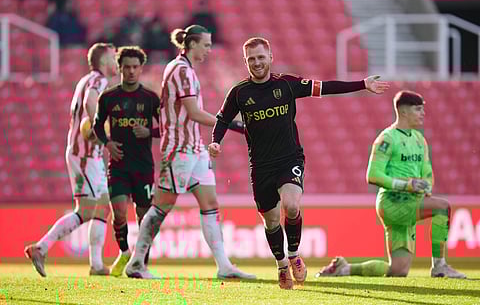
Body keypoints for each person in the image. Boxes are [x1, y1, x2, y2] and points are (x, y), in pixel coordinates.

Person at [207, 37, 389, 289]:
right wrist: (216, 141)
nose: (257, 63)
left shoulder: (287, 84)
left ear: (270, 57)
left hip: (289, 159)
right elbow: (222, 119)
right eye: (251, 59)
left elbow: (325, 87)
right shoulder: (239, 92)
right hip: (260, 167)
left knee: (291, 206)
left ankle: (293, 255)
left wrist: (362, 84)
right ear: (245, 61)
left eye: (261, 57)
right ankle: (282, 265)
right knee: (271, 221)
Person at [124, 25, 255, 280]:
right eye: (206, 45)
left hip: (194, 148)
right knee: (162, 206)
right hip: (178, 150)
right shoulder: (181, 71)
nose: (208, 49)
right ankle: (136, 262)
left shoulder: (185, 70)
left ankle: (224, 265)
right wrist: (233, 124)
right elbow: (193, 113)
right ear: (192, 44)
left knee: (210, 205)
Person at [316, 91, 466, 279]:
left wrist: (426, 185)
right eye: (418, 109)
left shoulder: (420, 140)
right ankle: (440, 266)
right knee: (442, 207)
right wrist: (407, 185)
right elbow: (373, 175)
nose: (423, 113)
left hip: (410, 201)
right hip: (393, 202)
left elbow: (427, 172)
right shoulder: (387, 138)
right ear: (403, 112)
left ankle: (344, 269)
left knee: (398, 271)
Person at [24, 43, 117, 277]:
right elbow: (89, 103)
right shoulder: (98, 79)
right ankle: (45, 248)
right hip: (85, 154)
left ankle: (91, 263)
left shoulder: (84, 80)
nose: (116, 63)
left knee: (95, 208)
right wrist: (100, 127)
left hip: (82, 153)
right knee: (93, 208)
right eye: (114, 58)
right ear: (105, 62)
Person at [93, 46, 161, 277]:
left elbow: (167, 128)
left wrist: (149, 132)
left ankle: (140, 263)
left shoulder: (150, 98)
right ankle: (124, 252)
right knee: (120, 212)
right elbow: (96, 125)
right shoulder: (108, 97)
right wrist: (107, 143)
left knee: (144, 217)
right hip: (119, 166)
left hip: (143, 166)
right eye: (127, 67)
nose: (131, 71)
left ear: (141, 68)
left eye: (135, 67)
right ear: (119, 68)